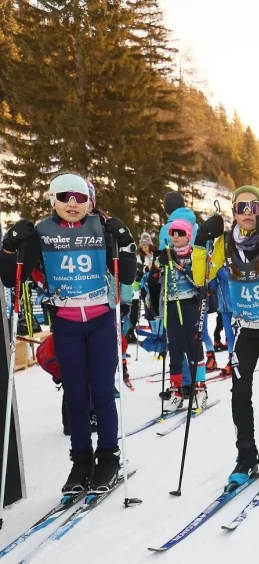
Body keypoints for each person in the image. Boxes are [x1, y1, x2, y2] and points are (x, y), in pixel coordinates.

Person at [0, 173, 135, 494]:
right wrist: (9, 247)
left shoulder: (102, 229)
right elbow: (10, 279)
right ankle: (81, 462)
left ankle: (108, 458)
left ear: (89, 201)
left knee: (102, 393)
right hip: (66, 324)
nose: (72, 204)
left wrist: (126, 241)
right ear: (53, 199)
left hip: (100, 321)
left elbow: (127, 275)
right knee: (75, 396)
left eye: (79, 198)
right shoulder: (41, 233)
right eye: (64, 197)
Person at [192, 185, 259, 485]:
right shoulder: (225, 243)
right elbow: (201, 277)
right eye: (240, 207)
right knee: (240, 393)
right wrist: (201, 240)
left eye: (254, 207)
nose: (247, 213)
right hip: (244, 327)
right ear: (233, 213)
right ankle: (246, 455)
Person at [157, 218, 207, 411]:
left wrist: (179, 265)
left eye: (180, 233)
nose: (176, 237)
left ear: (188, 235)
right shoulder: (166, 252)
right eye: (173, 233)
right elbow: (154, 278)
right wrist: (159, 264)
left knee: (194, 347)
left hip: (190, 304)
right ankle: (176, 391)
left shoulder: (194, 254)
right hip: (171, 304)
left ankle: (200, 388)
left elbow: (198, 281)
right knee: (175, 348)